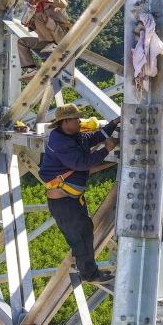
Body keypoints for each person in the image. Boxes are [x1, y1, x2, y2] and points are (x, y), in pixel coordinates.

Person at [39, 104, 120, 284]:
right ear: (65, 121)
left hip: (70, 200)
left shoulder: (71, 136)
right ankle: (89, 274)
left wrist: (115, 122)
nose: (79, 121)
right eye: (76, 119)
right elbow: (82, 163)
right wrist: (106, 149)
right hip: (64, 203)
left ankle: (84, 266)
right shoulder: (61, 143)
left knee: (84, 232)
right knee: (81, 236)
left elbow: (95, 136)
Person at [18, 0, 70, 81]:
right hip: (47, 41)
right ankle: (30, 68)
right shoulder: (37, 6)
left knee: (38, 16)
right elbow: (39, 26)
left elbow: (63, 3)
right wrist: (30, 24)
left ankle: (52, 44)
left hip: (61, 34)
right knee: (22, 42)